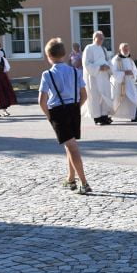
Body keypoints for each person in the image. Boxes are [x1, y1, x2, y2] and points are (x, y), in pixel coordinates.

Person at [38, 38, 91, 195]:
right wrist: (76, 107)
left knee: (72, 147)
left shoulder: (47, 74)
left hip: (58, 111)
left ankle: (84, 183)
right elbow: (84, 95)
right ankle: (70, 178)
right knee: (70, 144)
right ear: (64, 54)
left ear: (48, 56)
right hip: (74, 109)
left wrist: (49, 116)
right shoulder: (75, 71)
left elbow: (41, 101)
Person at [81, 32, 114, 125]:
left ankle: (104, 116)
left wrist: (108, 67)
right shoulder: (89, 48)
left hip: (104, 77)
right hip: (94, 77)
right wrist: (99, 68)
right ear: (94, 38)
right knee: (95, 96)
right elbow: (86, 63)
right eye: (99, 38)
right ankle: (97, 117)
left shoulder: (104, 49)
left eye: (102, 39)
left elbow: (109, 60)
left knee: (105, 95)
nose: (101, 40)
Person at [111, 43, 137, 122]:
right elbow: (113, 72)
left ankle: (134, 116)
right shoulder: (116, 60)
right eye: (124, 49)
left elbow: (135, 70)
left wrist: (133, 74)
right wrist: (124, 73)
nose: (126, 50)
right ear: (120, 49)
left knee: (133, 98)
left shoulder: (130, 59)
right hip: (120, 84)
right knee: (118, 100)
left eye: (127, 49)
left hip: (130, 83)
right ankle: (111, 115)